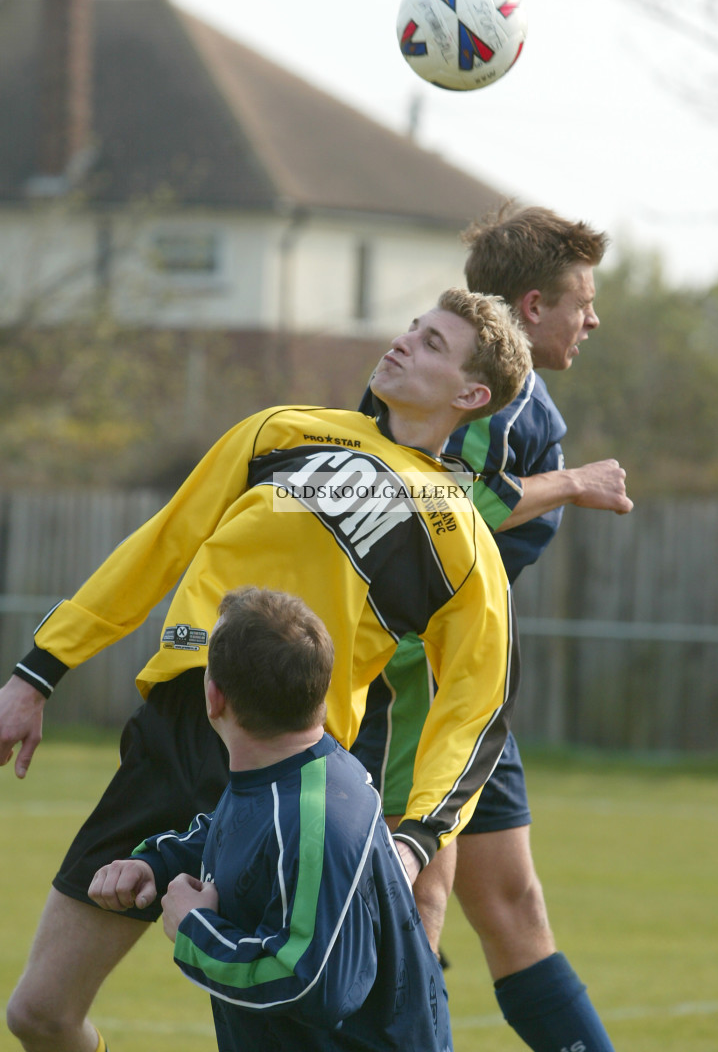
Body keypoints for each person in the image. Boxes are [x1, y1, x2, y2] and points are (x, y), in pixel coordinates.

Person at [2, 286, 531, 1052]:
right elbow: (161, 546)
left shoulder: (458, 533)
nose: (403, 343)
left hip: (286, 783)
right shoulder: (282, 430)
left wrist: (416, 836)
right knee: (39, 1014)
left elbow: (476, 706)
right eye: (411, 329)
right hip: (178, 732)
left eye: (432, 345)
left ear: (470, 395)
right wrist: (35, 675)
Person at [353, 205, 634, 1052]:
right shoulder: (491, 394)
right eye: (581, 299)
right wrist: (569, 482)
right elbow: (428, 505)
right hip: (417, 678)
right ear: (532, 304)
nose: (593, 317)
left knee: (512, 909)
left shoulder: (509, 395)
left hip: (468, 677)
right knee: (418, 902)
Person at [88, 585, 453, 1052]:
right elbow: (236, 831)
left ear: (214, 697)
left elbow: (312, 984)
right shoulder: (290, 772)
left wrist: (197, 930)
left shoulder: (315, 815)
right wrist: (156, 866)